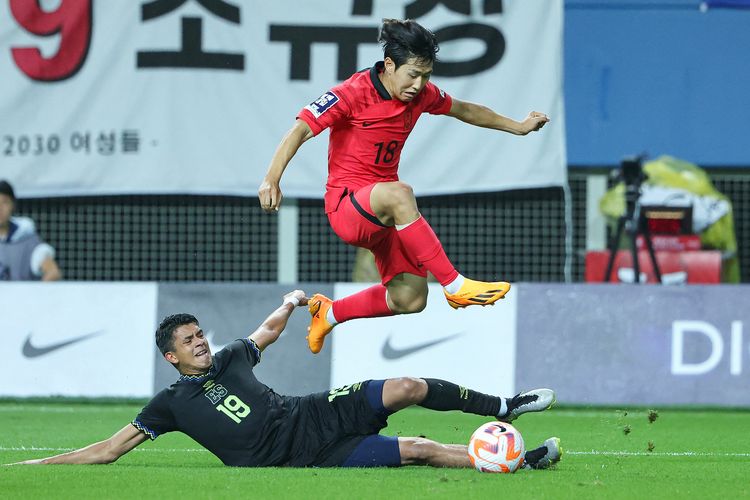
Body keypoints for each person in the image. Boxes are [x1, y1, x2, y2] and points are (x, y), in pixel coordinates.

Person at [11, 290, 561, 470]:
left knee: (408, 385)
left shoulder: (228, 358)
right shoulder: (167, 405)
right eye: (188, 341)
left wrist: (290, 303)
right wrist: (42, 466)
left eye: (200, 333)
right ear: (171, 358)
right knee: (418, 449)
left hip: (310, 411)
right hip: (300, 455)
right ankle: (515, 461)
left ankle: (505, 406)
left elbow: (265, 334)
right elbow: (109, 450)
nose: (200, 342)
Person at [258, 19, 550, 354]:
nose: (419, 84)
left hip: (383, 215)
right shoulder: (350, 94)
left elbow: (466, 110)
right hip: (347, 207)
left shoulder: (421, 96)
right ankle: (455, 284)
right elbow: (300, 130)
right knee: (400, 192)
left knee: (410, 298)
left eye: (426, 75)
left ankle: (331, 313)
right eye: (413, 74)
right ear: (389, 65)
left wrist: (518, 127)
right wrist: (272, 177)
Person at [0, 180, 62, 281]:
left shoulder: (27, 240)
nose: (0, 208)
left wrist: (36, 295)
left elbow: (53, 273)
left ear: (12, 205)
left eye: (5, 202)